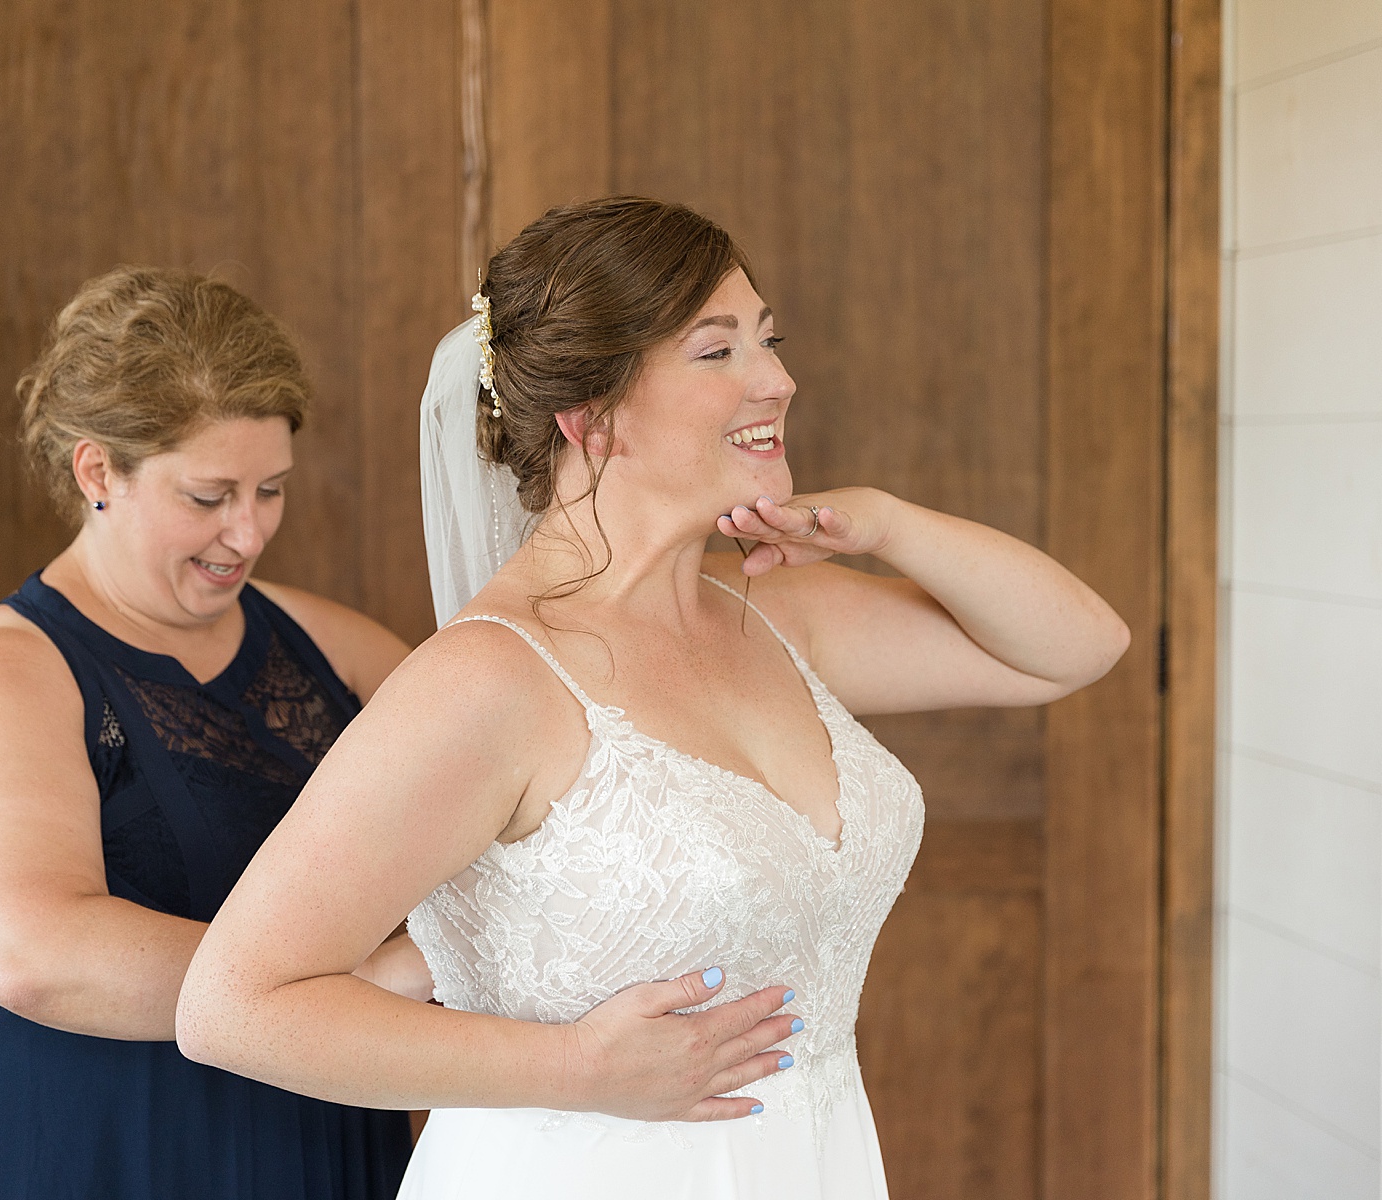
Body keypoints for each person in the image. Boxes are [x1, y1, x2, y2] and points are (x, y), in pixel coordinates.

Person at [176, 197, 1131, 1199]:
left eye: (768, 340)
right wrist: (573, 1069)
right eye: (717, 353)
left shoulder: (777, 612)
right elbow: (234, 1006)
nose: (779, 379)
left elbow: (1073, 648)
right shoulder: (493, 681)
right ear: (591, 420)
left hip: (810, 1159)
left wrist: (884, 524)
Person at [0, 266, 426, 1200]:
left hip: (310, 1134)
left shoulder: (336, 651)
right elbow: (36, 954)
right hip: (88, 1146)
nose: (249, 531)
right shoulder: (6, 675)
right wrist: (350, 984)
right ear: (98, 470)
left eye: (271, 489)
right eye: (208, 495)